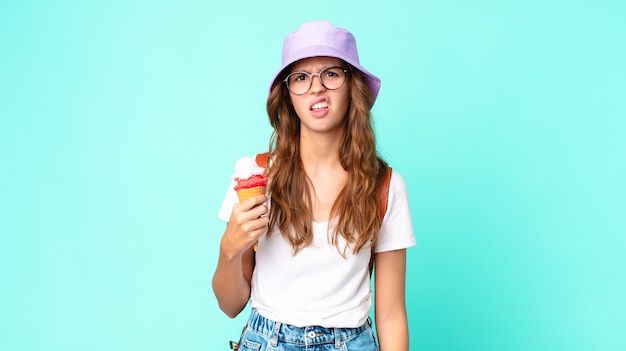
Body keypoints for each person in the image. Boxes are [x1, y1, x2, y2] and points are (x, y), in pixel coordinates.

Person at [213, 20, 416, 351]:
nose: (316, 87)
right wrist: (229, 249)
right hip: (265, 341)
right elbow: (230, 304)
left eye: (331, 74)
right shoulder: (257, 177)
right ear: (288, 95)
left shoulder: (385, 186)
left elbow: (391, 315)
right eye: (301, 77)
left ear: (353, 86)